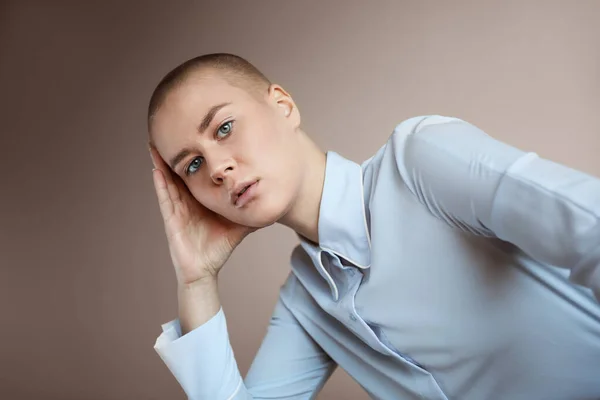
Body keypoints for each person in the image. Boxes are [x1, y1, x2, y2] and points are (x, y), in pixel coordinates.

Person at [147, 53, 600, 400]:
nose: (219, 169)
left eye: (224, 127)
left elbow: (591, 225)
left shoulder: (419, 162)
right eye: (192, 165)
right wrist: (197, 280)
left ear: (283, 106)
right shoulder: (306, 303)